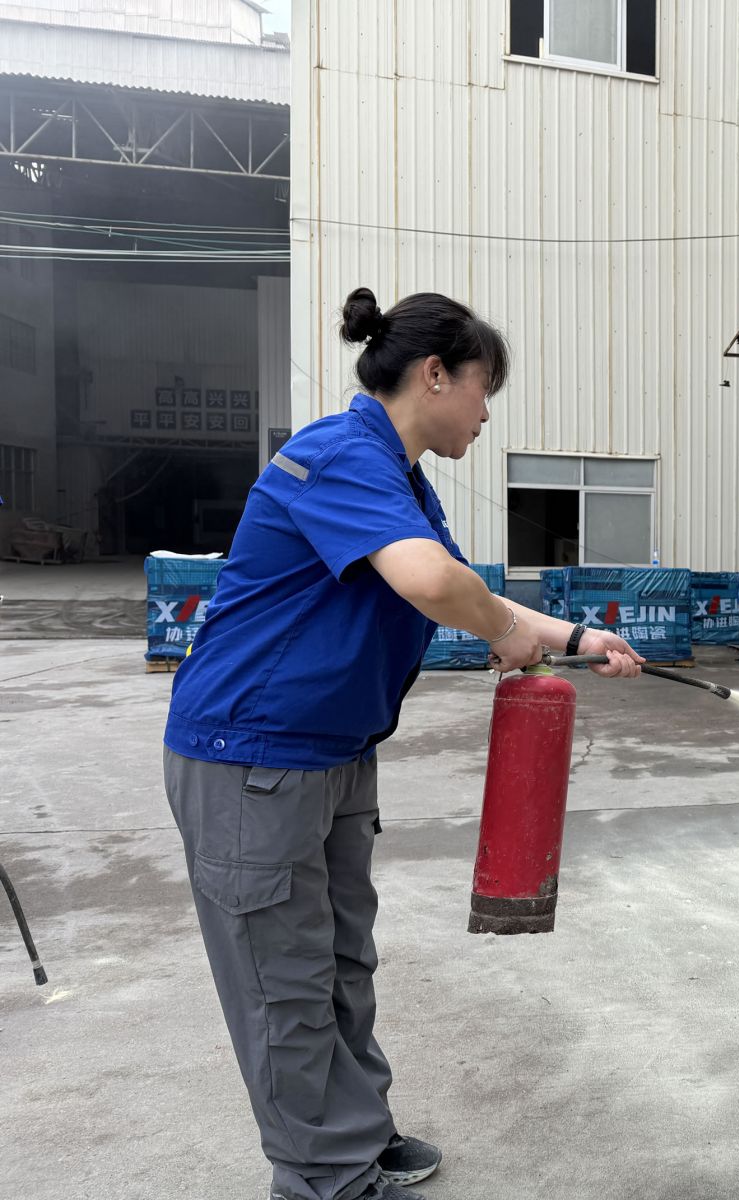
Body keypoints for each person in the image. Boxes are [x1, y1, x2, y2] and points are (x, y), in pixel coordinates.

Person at [163, 287, 643, 1200]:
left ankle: (353, 1135)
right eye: (483, 388)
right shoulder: (340, 455)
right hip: (250, 756)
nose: (486, 413)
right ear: (434, 376)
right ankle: (323, 1179)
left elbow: (467, 590)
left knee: (341, 963)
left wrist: (579, 639)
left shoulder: (399, 478)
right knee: (283, 981)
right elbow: (433, 583)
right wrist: (506, 630)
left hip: (332, 752)